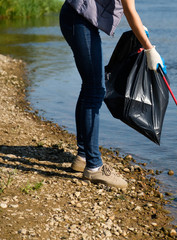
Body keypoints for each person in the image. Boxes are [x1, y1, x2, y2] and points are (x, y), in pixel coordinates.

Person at [59, 0, 165, 189]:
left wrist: (140, 30)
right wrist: (149, 48)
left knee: (90, 87)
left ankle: (83, 156)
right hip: (79, 21)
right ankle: (94, 166)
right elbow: (129, 10)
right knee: (95, 90)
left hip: (76, 18)